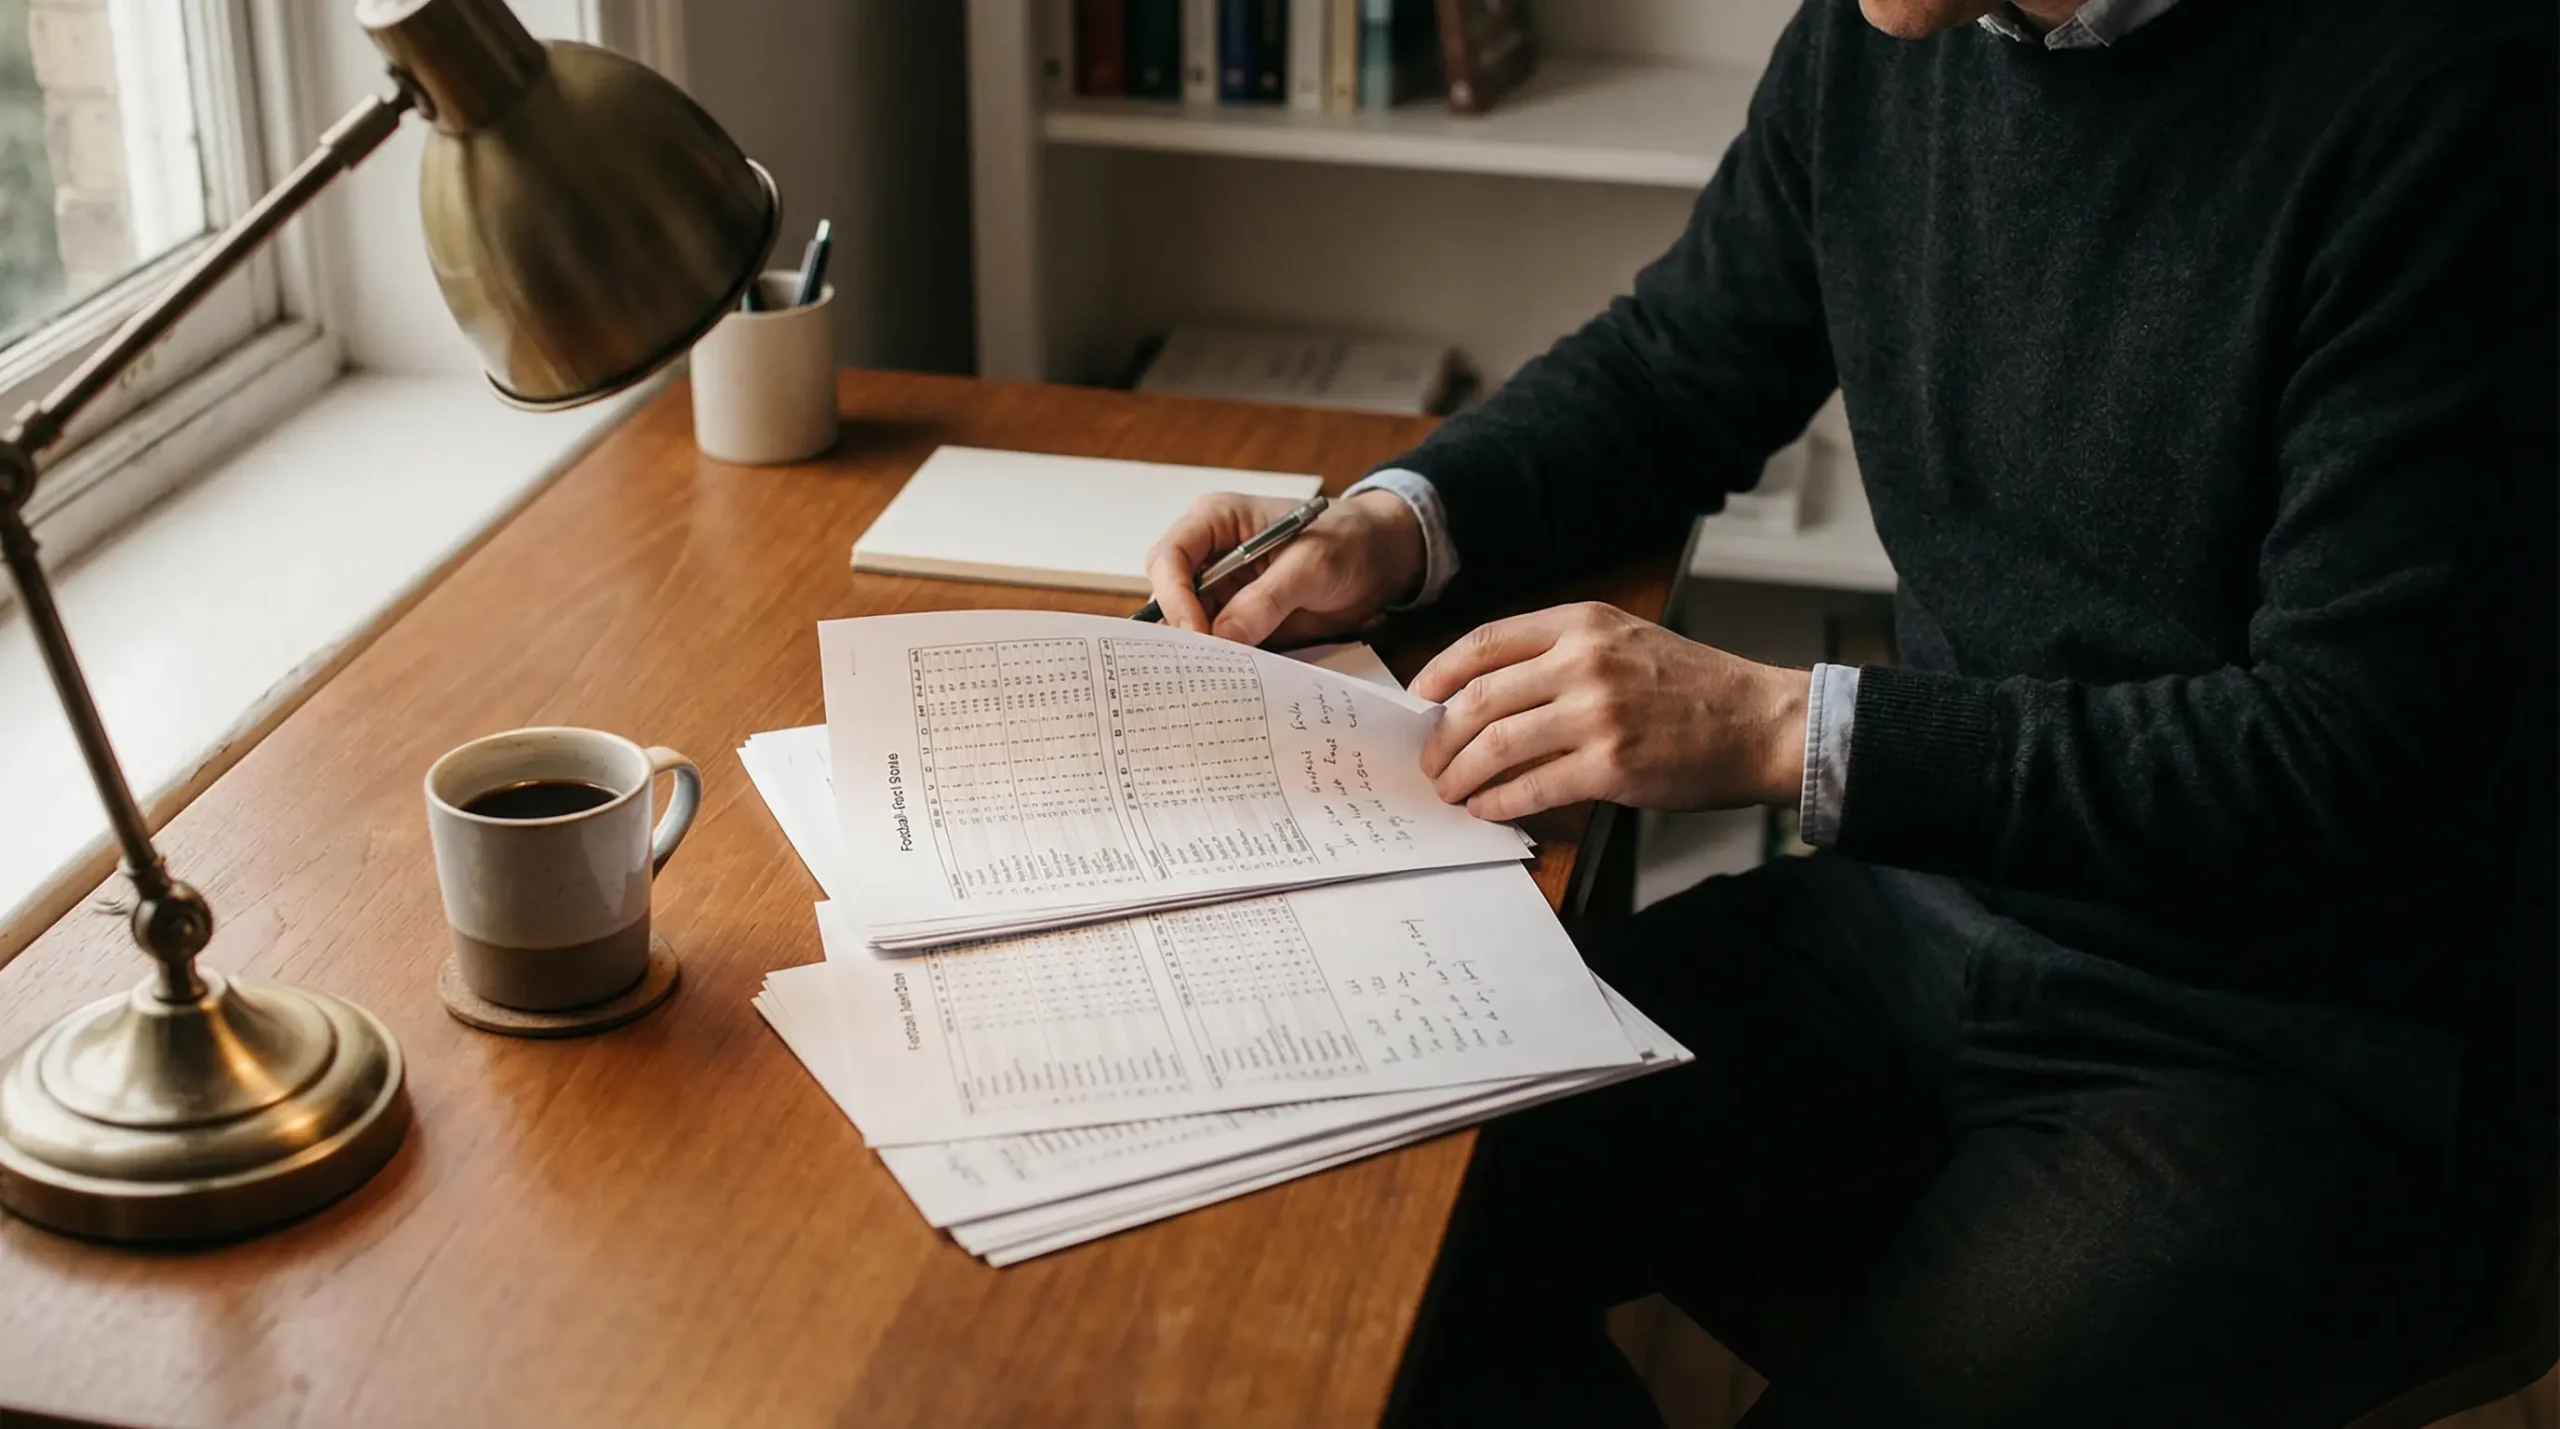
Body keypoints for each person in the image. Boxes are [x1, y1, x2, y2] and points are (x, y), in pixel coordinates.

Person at [1139, 0, 2556, 1422]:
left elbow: (2344, 756)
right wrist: (1399, 525)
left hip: (2280, 1043)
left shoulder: (2454, 95)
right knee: (1343, 1219)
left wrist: (1780, 733)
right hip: (1907, 920)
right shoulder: (1882, 32)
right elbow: (1677, 367)